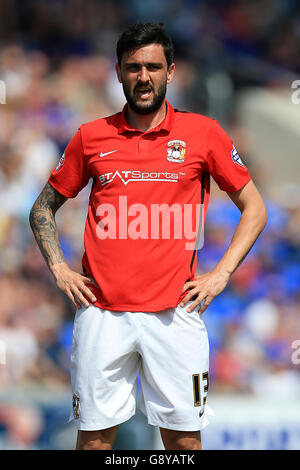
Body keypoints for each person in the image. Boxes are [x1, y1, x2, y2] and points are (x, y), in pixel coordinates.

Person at [29, 22, 267, 450]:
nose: (143, 77)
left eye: (153, 67)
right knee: (95, 444)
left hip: (175, 316)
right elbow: (42, 208)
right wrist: (59, 269)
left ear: (170, 72)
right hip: (102, 315)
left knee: (183, 446)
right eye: (134, 67)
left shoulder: (203, 133)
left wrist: (221, 274)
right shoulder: (90, 137)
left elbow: (255, 208)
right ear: (118, 72)